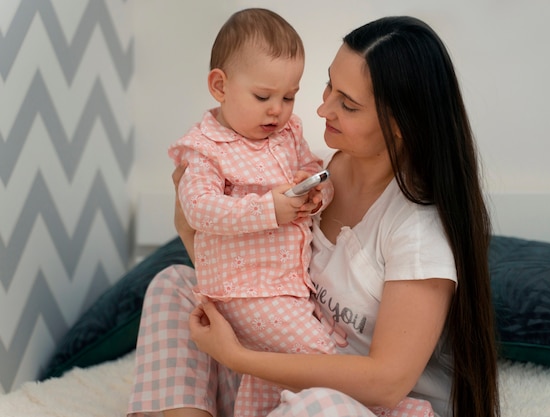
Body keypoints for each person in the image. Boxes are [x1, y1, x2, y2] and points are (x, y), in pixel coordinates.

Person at [129, 13, 500, 417]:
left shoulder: (417, 230)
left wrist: (236, 358)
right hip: (284, 368)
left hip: (364, 404)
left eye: (348, 104)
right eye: (328, 85)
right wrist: (190, 229)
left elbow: (387, 383)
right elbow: (252, 281)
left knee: (316, 407)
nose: (323, 109)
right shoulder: (309, 180)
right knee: (174, 287)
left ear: (400, 125)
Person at [163, 8, 338, 417]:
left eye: (289, 96)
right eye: (263, 97)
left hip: (286, 287)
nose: (277, 110)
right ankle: (396, 409)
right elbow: (199, 209)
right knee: (321, 360)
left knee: (278, 373)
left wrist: (315, 193)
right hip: (244, 290)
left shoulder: (288, 133)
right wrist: (269, 210)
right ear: (220, 86)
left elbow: (312, 169)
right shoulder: (206, 148)